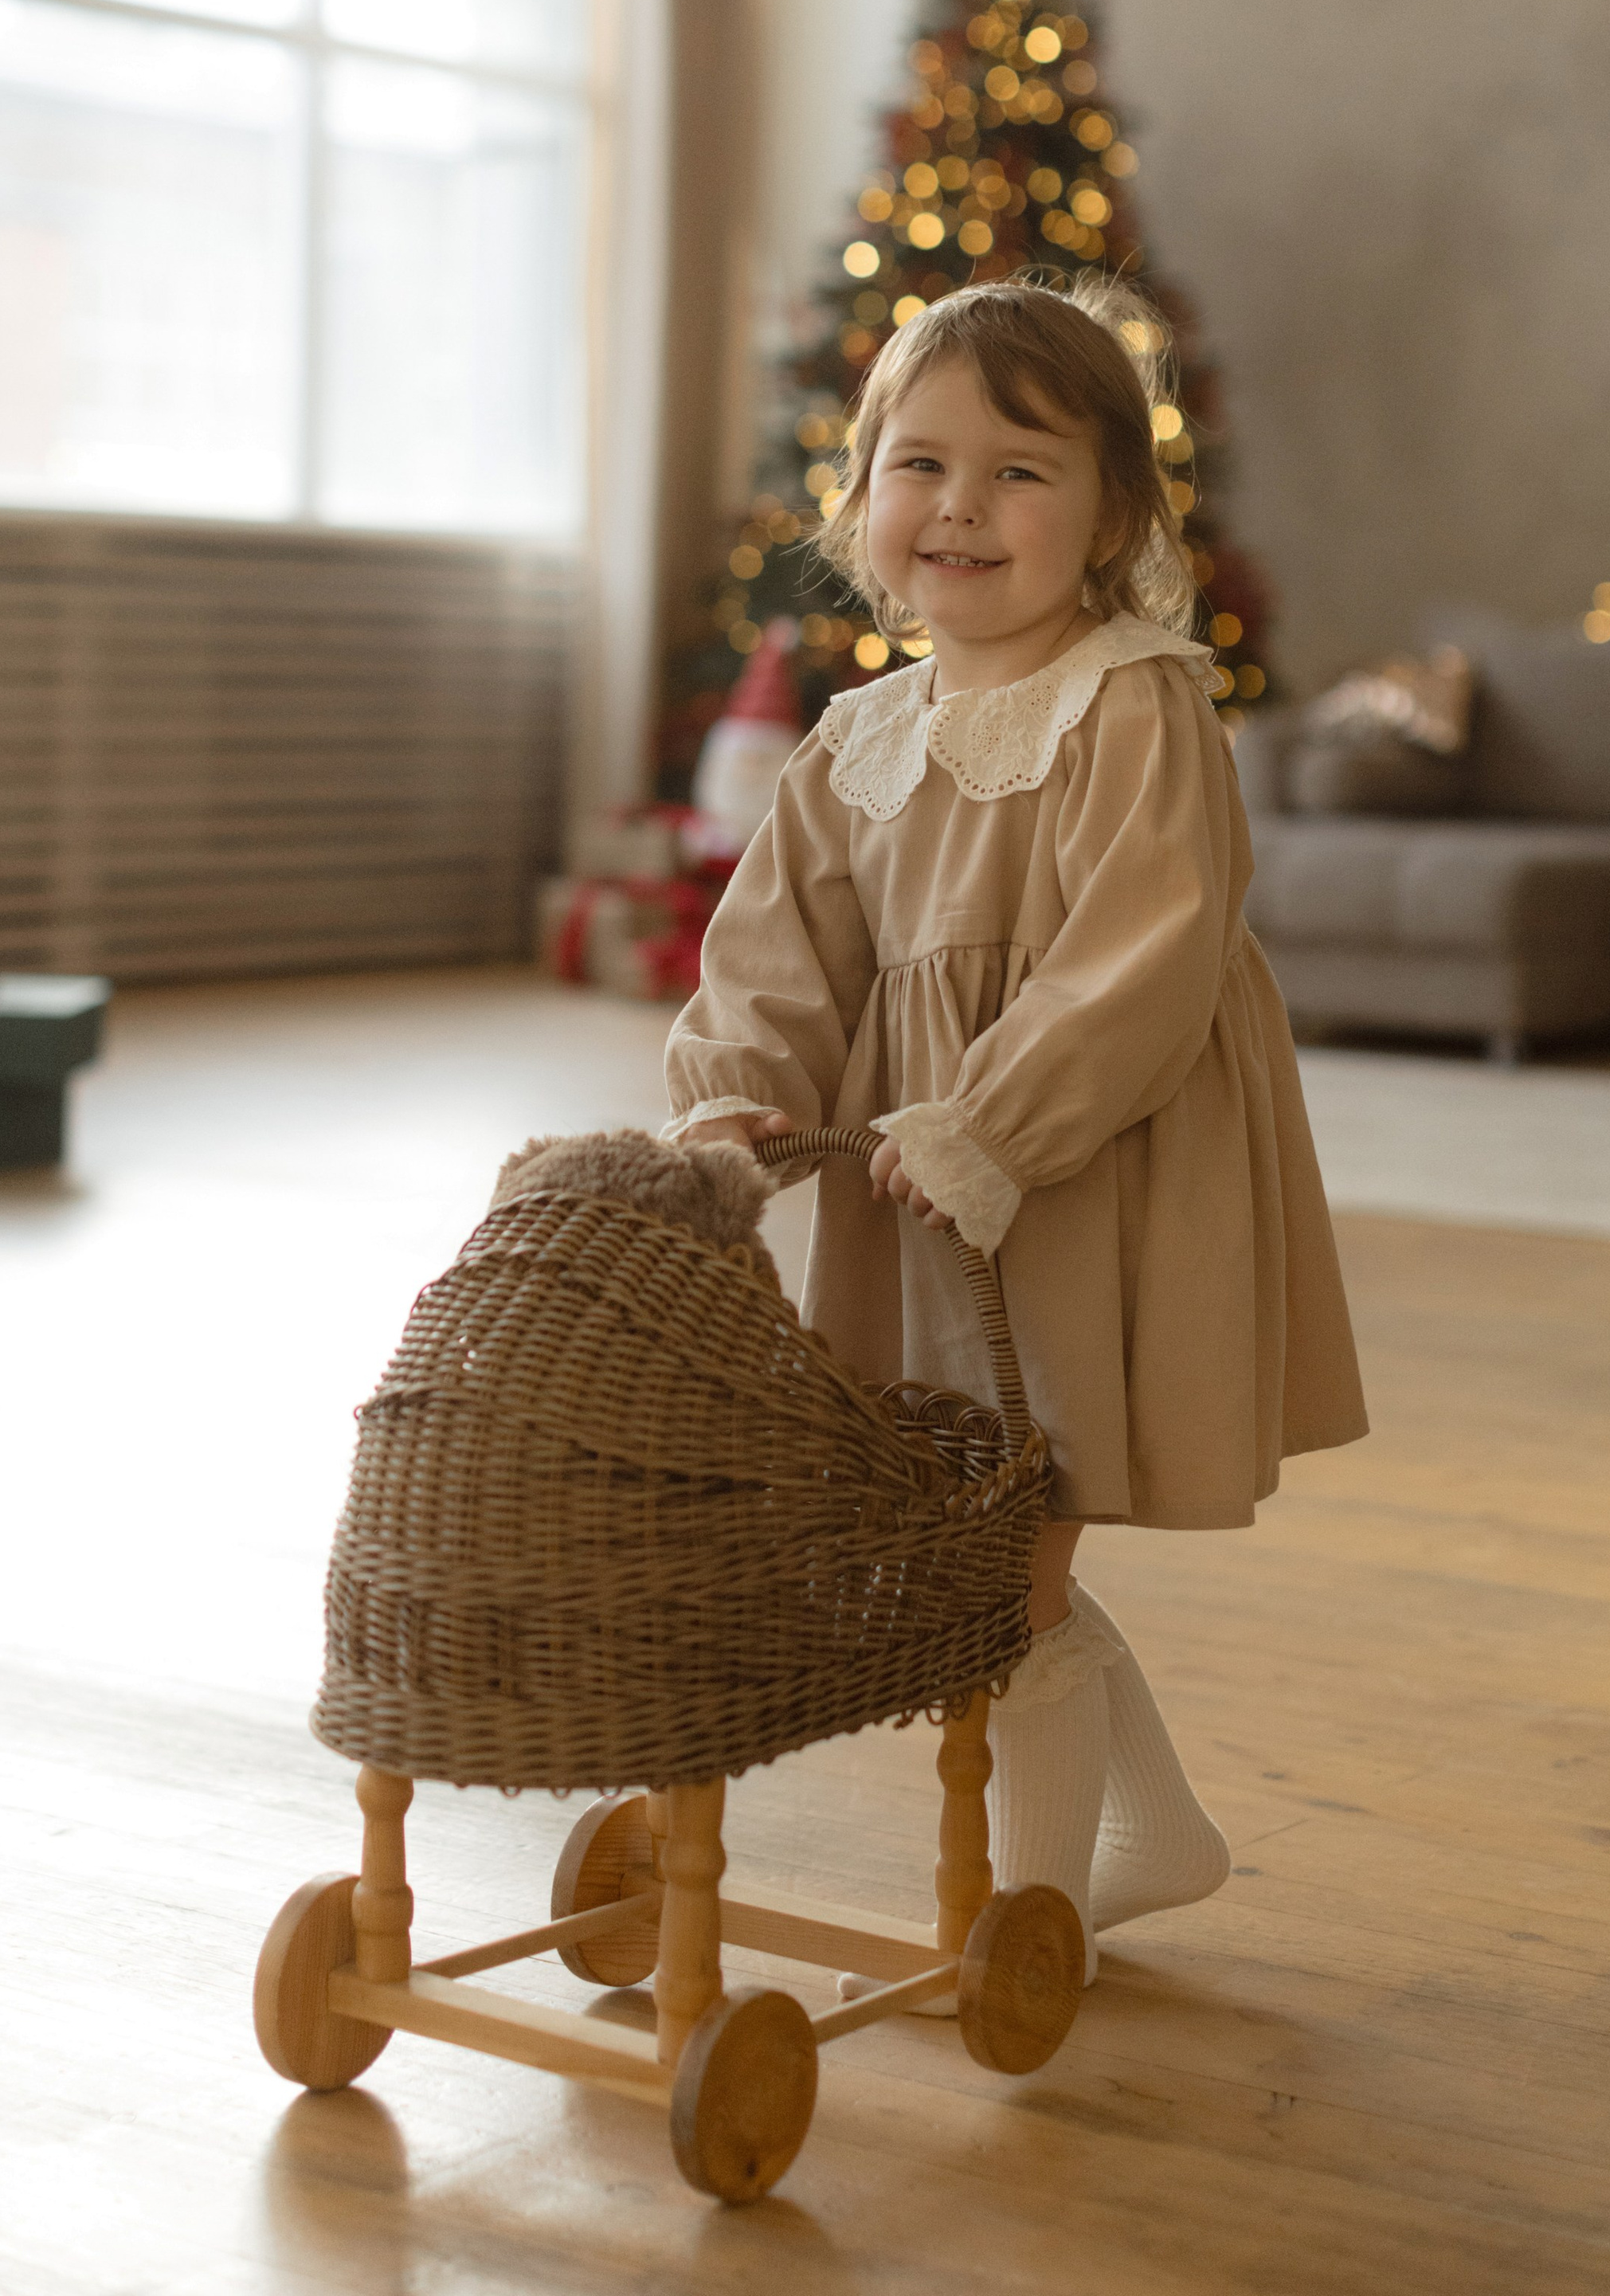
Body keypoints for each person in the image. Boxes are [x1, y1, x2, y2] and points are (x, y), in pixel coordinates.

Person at [664, 277, 1367, 1983]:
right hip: (915, 1197)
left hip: (1079, 1167)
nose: (961, 506)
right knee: (986, 1524)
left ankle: (1022, 1911)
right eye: (920, 464)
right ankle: (1150, 1838)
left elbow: (1143, 955)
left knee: (1014, 1530)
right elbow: (773, 960)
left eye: (1019, 471)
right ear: (861, 503)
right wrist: (730, 1112)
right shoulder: (853, 743)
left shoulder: (1135, 702)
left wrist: (992, 1125)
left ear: (1113, 513)